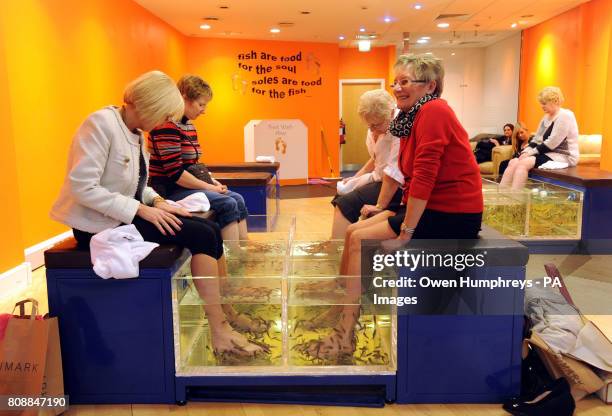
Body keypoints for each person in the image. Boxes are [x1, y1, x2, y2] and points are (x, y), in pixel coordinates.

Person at [50, 71, 262, 357]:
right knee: (201, 234)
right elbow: (82, 188)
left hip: (125, 214)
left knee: (209, 230)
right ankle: (220, 328)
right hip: (97, 225)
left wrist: (158, 201)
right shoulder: (100, 124)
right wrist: (141, 209)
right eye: (163, 115)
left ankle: (226, 311)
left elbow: (138, 184)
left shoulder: (135, 133)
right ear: (149, 105)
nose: (165, 122)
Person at [310, 54, 483, 360]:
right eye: (396, 82)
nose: (398, 88)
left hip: (451, 212)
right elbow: (409, 175)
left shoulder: (434, 110)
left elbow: (427, 176)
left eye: (406, 82)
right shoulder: (412, 116)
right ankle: (343, 309)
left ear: (430, 85)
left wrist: (406, 232)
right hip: (432, 205)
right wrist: (387, 209)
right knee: (354, 230)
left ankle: (346, 331)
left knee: (361, 240)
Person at [149, 75, 248, 241]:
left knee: (237, 198)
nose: (204, 110)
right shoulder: (165, 126)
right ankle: (234, 259)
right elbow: (175, 174)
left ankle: (245, 249)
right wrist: (209, 188)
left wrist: (212, 182)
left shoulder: (188, 125)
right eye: (201, 104)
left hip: (186, 186)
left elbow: (194, 165)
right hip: (169, 190)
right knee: (227, 203)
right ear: (184, 98)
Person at [330, 89, 404, 239]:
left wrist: (379, 206)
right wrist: (355, 178)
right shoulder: (374, 126)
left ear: (390, 113)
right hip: (379, 178)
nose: (372, 130)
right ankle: (337, 245)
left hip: (395, 185)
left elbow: (394, 171)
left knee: (345, 204)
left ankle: (337, 249)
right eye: (369, 126)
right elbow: (375, 158)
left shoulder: (400, 127)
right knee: (341, 193)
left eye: (376, 125)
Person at [500, 87, 579, 190]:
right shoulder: (546, 117)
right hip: (548, 153)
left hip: (563, 156)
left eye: (544, 103)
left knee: (524, 163)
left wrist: (530, 153)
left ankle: (515, 199)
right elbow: (537, 139)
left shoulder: (565, 116)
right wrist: (525, 152)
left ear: (555, 101)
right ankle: (502, 196)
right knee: (513, 162)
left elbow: (552, 142)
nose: (542, 106)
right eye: (541, 103)